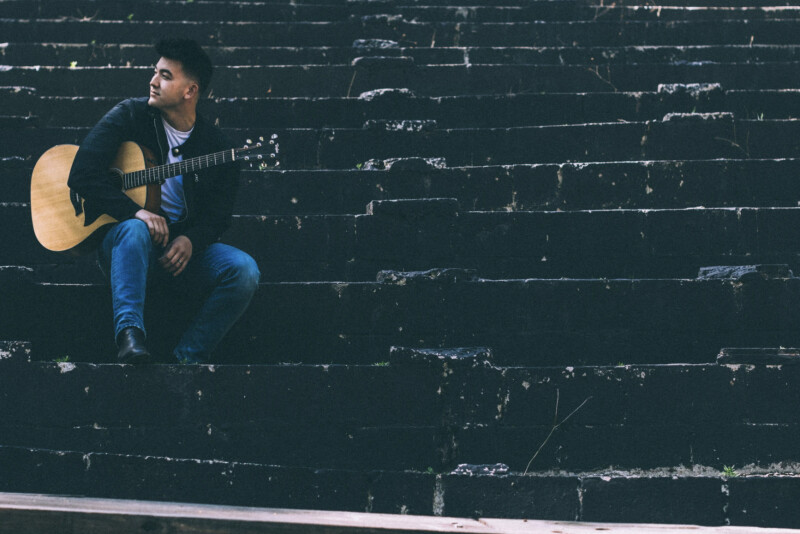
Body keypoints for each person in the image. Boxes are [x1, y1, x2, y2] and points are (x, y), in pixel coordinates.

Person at [67, 38, 260, 364]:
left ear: (190, 91)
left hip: (175, 253)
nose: (153, 81)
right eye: (155, 72)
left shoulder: (218, 149)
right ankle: (130, 337)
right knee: (134, 230)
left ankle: (187, 358)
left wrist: (190, 239)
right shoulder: (130, 115)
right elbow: (81, 174)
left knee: (244, 270)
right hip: (124, 247)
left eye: (166, 76)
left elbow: (219, 216)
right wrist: (135, 212)